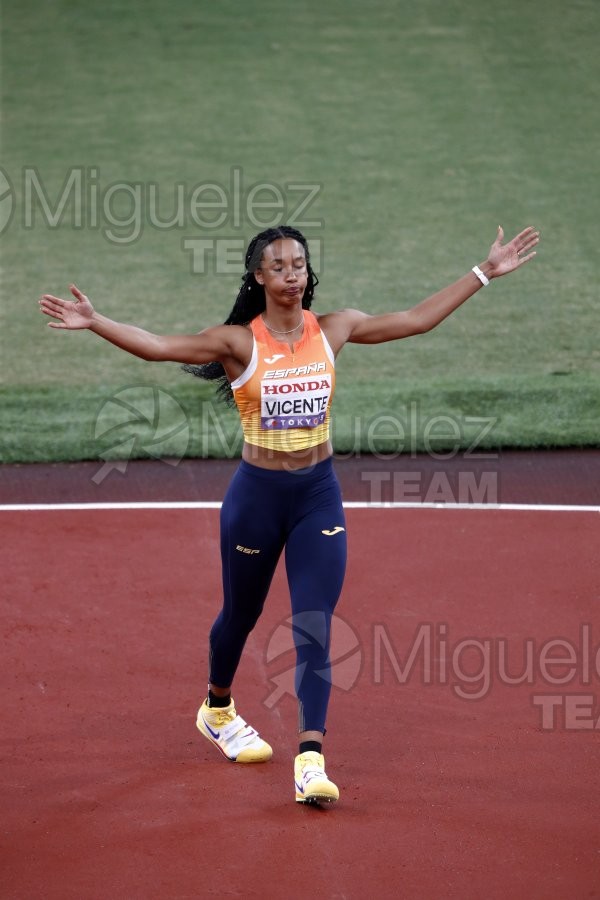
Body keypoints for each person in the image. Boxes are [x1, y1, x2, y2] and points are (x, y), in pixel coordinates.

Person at [39, 222, 539, 805]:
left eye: (298, 263)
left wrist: (484, 273)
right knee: (240, 614)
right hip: (257, 500)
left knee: (316, 624)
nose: (291, 273)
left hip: (317, 497)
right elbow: (157, 345)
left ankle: (310, 759)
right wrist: (96, 322)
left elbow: (415, 320)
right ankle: (217, 707)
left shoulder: (335, 329)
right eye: (278, 266)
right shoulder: (236, 343)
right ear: (258, 277)